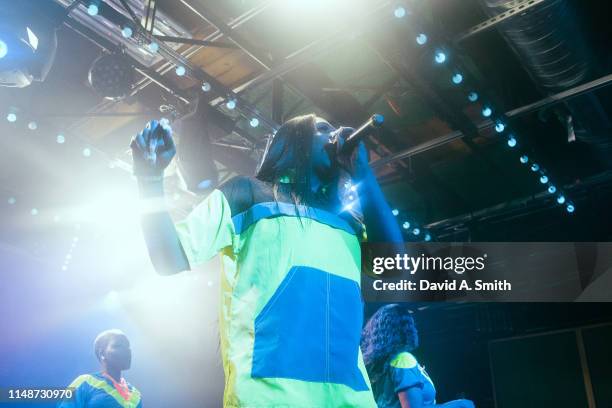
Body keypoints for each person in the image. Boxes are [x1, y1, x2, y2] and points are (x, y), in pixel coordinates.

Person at [130, 111, 404, 407]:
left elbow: (395, 268)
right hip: (270, 395)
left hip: (350, 399)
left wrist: (363, 173)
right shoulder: (246, 194)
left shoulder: (348, 222)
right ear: (293, 141)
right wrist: (149, 179)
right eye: (323, 129)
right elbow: (169, 258)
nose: (335, 136)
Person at [361, 304, 475, 408]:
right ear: (404, 328)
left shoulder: (380, 366)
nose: (415, 328)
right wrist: (458, 405)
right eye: (411, 323)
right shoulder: (403, 359)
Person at [58, 329, 142, 408]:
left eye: (128, 346)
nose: (127, 350)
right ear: (102, 353)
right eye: (118, 346)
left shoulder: (136, 394)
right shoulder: (85, 383)